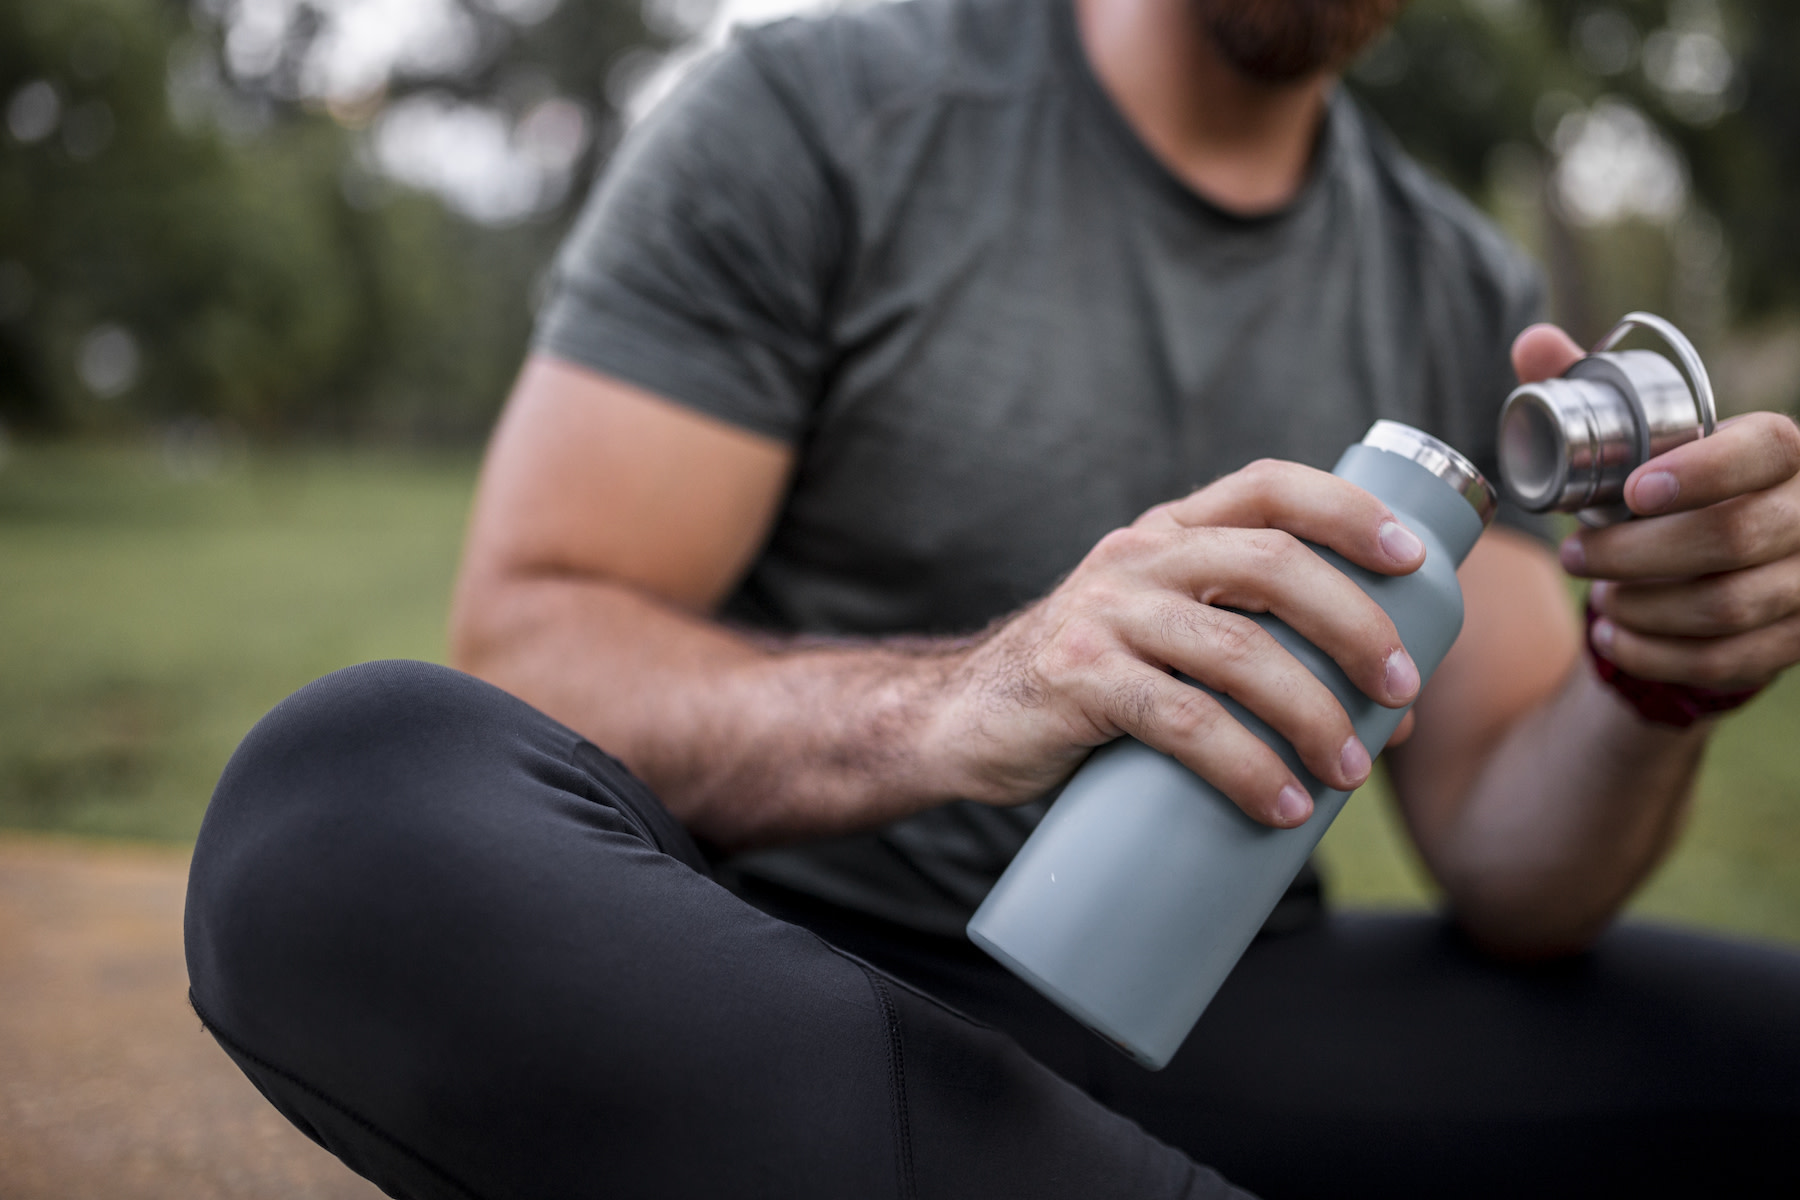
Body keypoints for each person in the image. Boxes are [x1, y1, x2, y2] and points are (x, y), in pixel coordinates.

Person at [184, 0, 1800, 1196]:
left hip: (1214, 1026)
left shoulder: (1449, 274)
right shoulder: (821, 115)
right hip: (784, 987)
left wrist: (1653, 677)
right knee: (339, 795)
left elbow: (1521, 876)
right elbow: (536, 646)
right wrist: (962, 700)